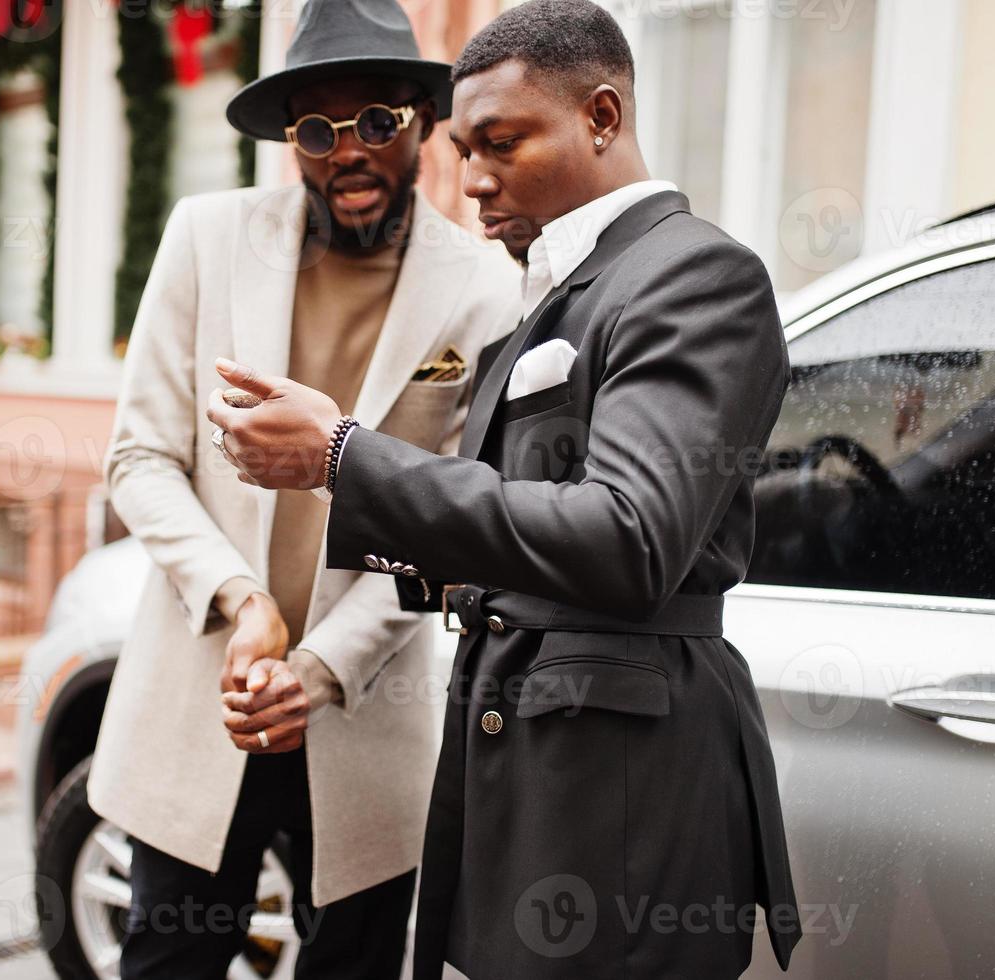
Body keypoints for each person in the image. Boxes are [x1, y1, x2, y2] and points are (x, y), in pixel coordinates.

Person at [207, 1, 803, 977]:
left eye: (501, 144)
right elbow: (491, 535)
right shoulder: (547, 299)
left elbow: (628, 536)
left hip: (622, 807)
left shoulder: (696, 276)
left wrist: (342, 454)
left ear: (602, 117)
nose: (472, 180)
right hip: (526, 777)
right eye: (462, 148)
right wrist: (306, 657)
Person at [84, 0, 520, 976]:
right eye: (316, 131)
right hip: (207, 701)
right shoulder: (205, 237)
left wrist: (318, 665)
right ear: (292, 142)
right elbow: (139, 458)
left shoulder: (487, 290)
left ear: (421, 118)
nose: (348, 152)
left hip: (364, 718)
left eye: (377, 122)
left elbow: (451, 522)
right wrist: (243, 605)